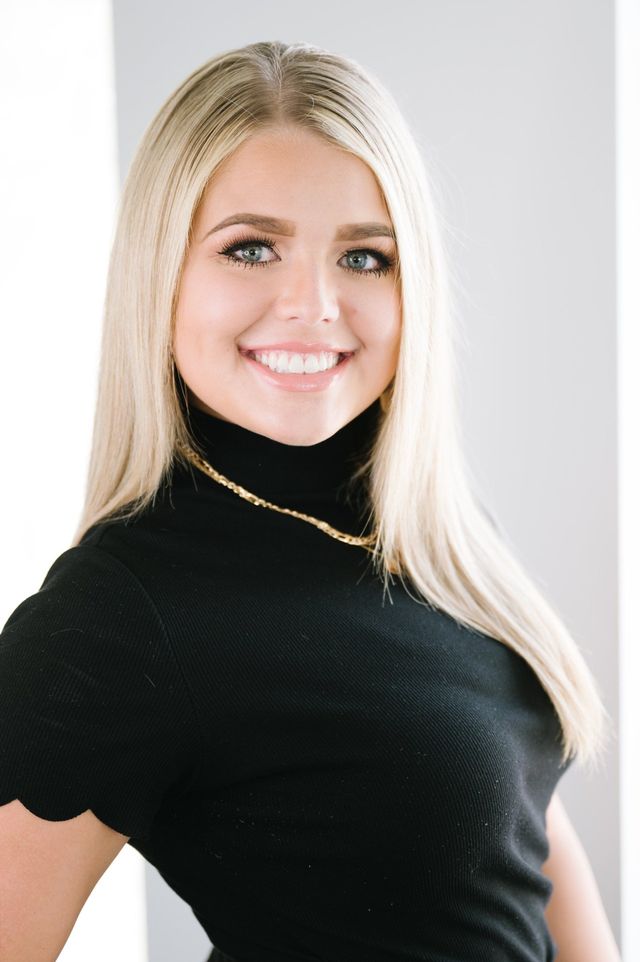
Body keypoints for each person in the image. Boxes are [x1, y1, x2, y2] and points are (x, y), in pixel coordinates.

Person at [0, 39, 620, 962]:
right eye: (251, 249)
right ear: (159, 274)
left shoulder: (432, 533)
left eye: (365, 257)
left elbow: (519, 831)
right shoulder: (117, 617)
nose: (315, 304)